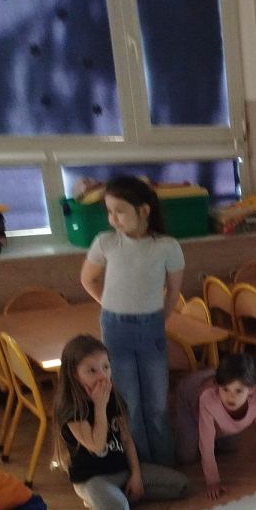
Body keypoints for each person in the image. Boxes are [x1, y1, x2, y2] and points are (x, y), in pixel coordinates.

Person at [79, 175, 183, 466]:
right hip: (115, 330)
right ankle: (141, 466)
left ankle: (165, 464)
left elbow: (173, 291)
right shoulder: (106, 242)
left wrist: (160, 319)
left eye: (120, 211)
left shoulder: (167, 246)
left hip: (151, 327)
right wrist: (111, 305)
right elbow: (88, 279)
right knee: (129, 405)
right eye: (109, 212)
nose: (113, 219)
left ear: (144, 210)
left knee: (157, 403)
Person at [53, 335, 187, 510]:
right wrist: (100, 406)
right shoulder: (72, 409)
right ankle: (102, 500)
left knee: (181, 487)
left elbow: (126, 439)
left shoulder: (114, 397)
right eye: (91, 371)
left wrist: (136, 475)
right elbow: (97, 446)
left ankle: (122, 494)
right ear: (74, 374)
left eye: (106, 367)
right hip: (93, 478)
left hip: (121, 470)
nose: (102, 376)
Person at [175, 352, 256, 500]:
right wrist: (213, 482)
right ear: (218, 386)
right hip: (189, 397)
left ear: (251, 390)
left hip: (216, 393)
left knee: (230, 446)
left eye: (238, 391)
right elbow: (206, 443)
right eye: (225, 389)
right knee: (187, 456)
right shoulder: (208, 398)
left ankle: (217, 377)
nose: (231, 396)